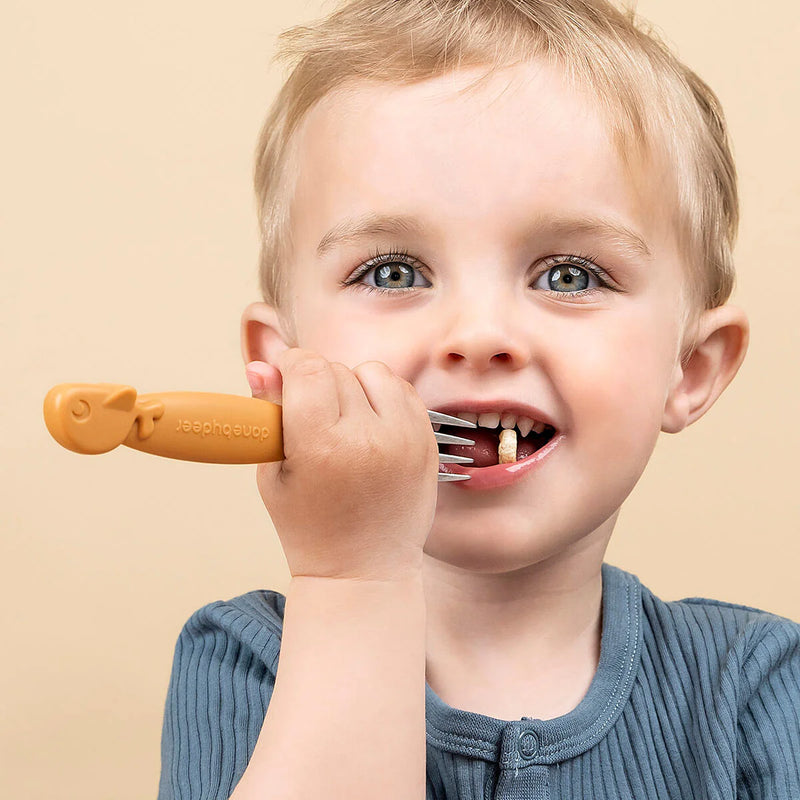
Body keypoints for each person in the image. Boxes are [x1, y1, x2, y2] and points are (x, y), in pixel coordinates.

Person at [157, 1, 800, 798]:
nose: (479, 333)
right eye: (394, 271)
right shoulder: (243, 660)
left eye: (569, 275)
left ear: (692, 368)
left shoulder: (759, 686)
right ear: (285, 366)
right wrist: (352, 582)